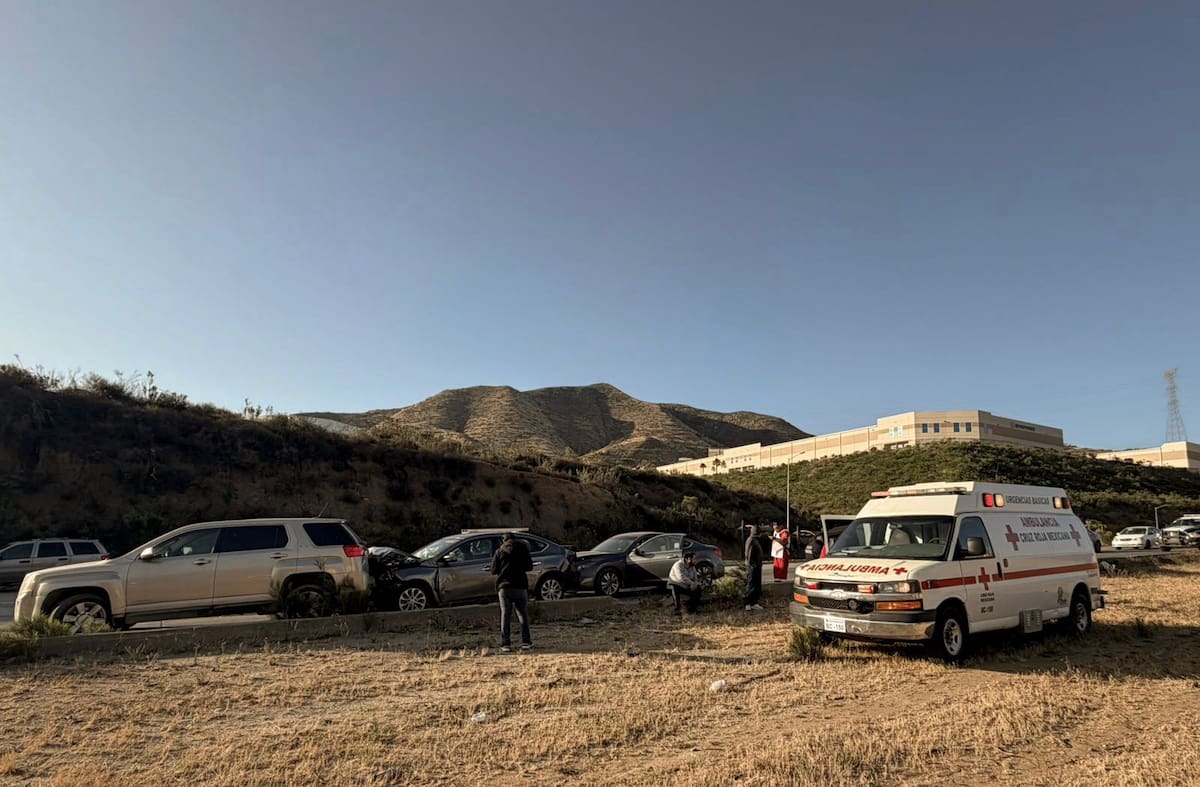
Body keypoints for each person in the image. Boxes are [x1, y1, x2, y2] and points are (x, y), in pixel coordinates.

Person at [489, 532, 534, 652]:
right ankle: (526, 642)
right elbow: (529, 567)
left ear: (503, 540)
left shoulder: (499, 551)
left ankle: (506, 644)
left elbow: (493, 570)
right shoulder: (523, 549)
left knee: (505, 615)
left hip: (504, 587)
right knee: (523, 615)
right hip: (520, 586)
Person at [743, 524, 764, 611]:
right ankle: (748, 603)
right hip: (753, 566)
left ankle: (754, 602)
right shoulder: (752, 540)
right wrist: (752, 564)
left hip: (756, 565)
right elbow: (749, 554)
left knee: (756, 585)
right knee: (751, 584)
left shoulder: (753, 540)